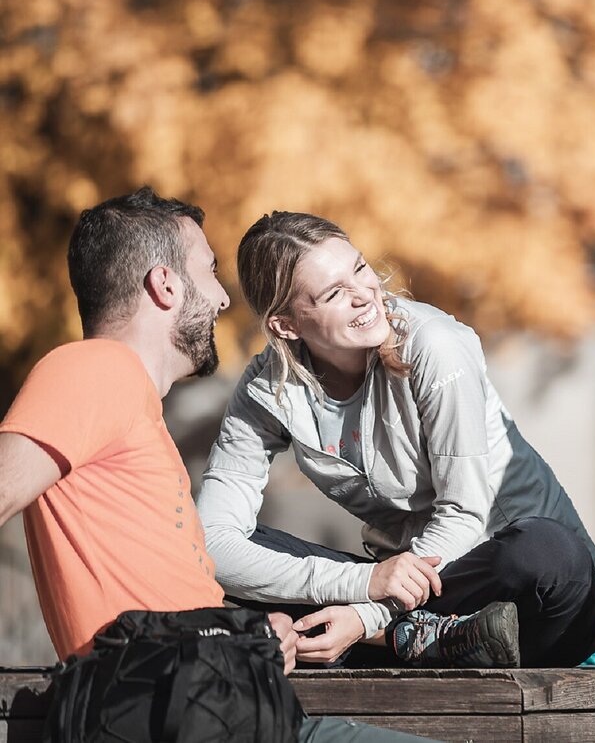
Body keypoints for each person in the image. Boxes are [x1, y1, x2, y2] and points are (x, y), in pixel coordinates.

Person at [0, 187, 435, 741]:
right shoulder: (94, 370)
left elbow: (155, 601)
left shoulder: (130, 402)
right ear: (165, 286)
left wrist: (245, 633)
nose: (225, 300)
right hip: (180, 713)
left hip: (224, 704)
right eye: (208, 271)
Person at [196, 211, 595, 669]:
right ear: (286, 326)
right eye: (334, 293)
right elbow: (212, 543)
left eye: (358, 268)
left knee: (549, 552)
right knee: (216, 551)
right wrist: (363, 582)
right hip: (406, 588)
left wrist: (367, 613)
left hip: (522, 591)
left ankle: (388, 639)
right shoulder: (266, 391)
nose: (364, 296)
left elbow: (465, 513)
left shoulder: (434, 345)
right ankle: (430, 640)